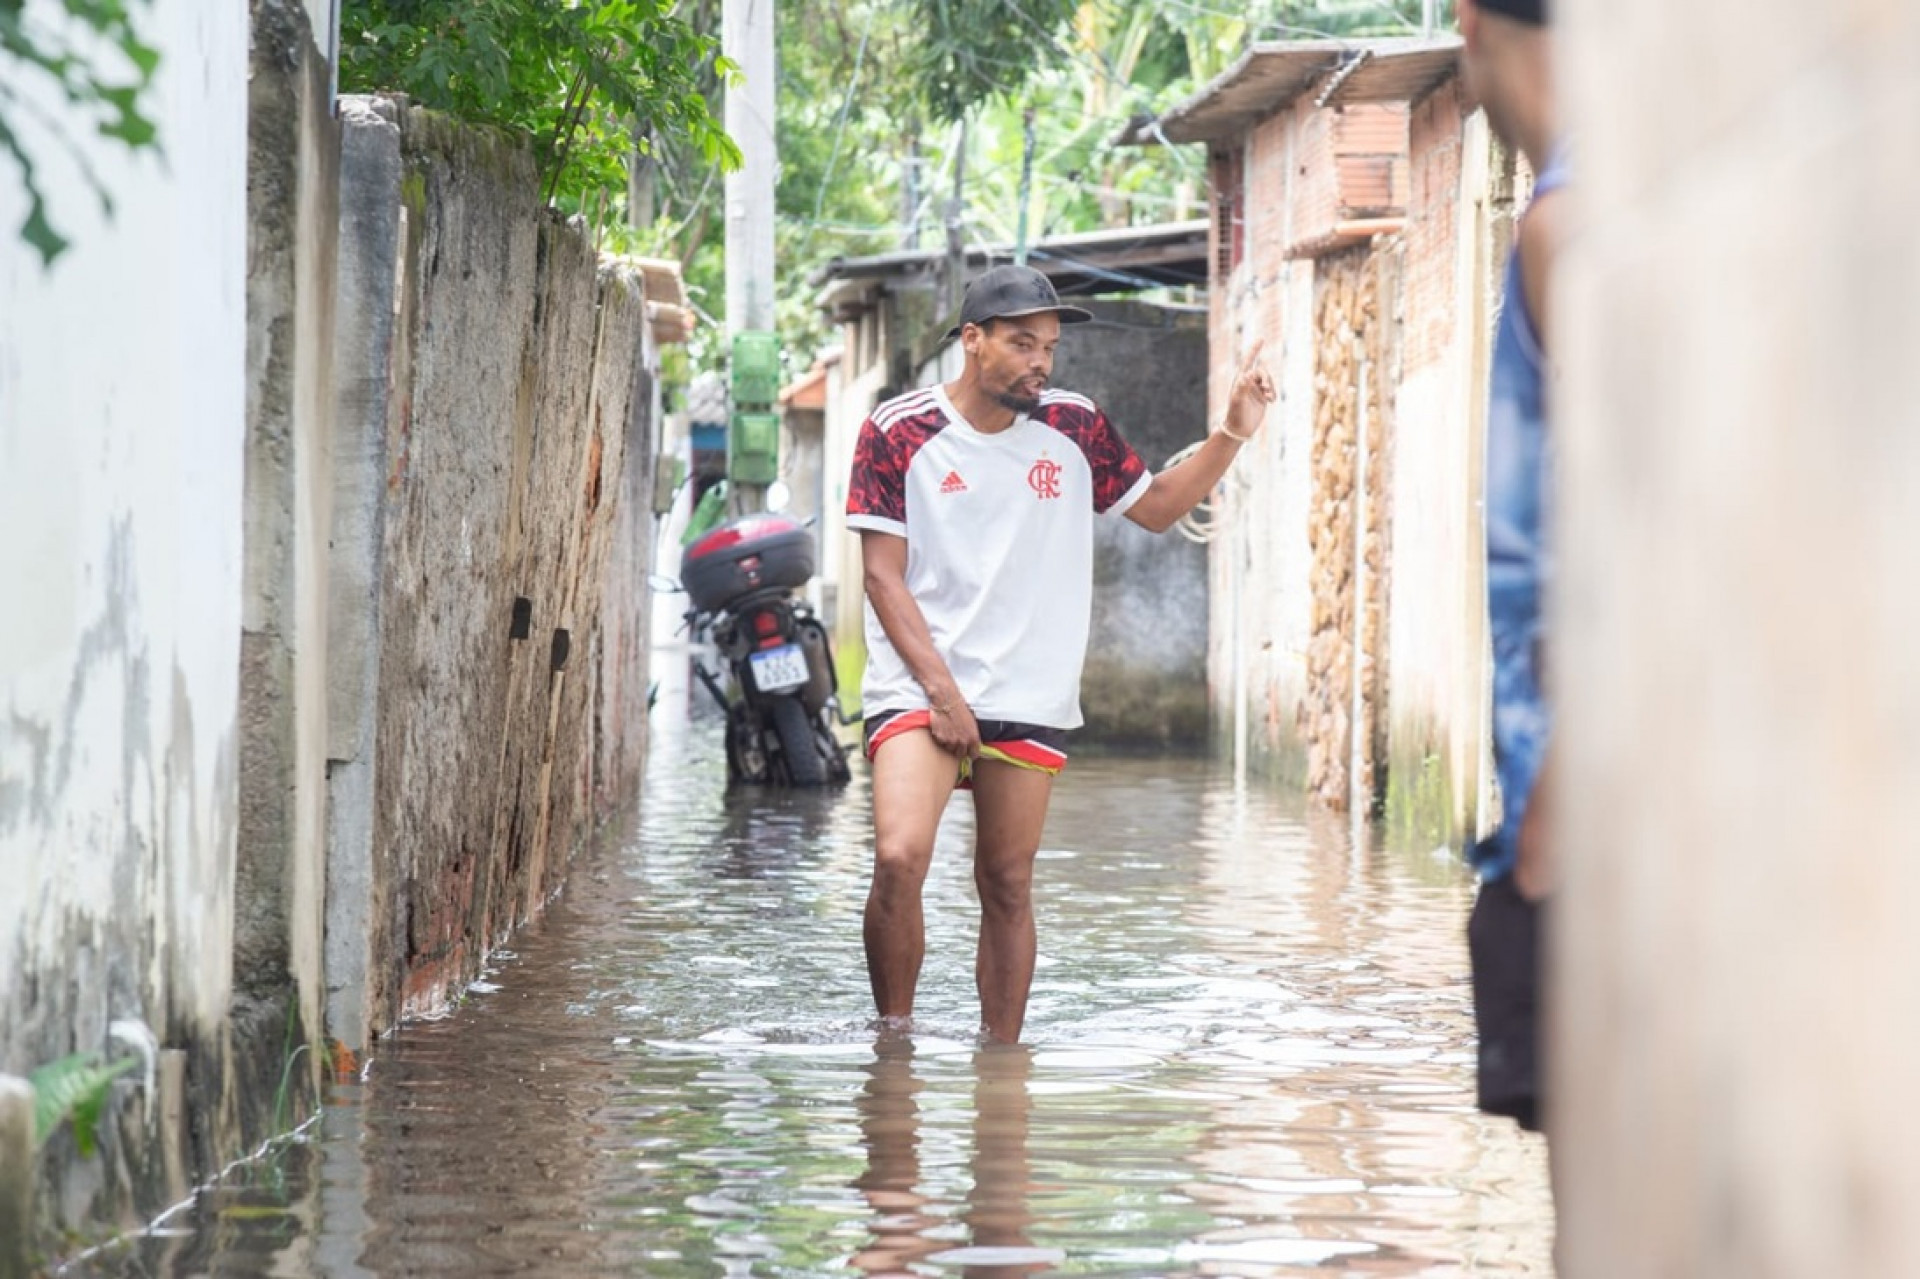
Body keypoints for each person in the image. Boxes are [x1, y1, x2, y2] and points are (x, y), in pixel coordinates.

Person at [845, 263, 1275, 1043]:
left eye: (1048, 347)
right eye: (1022, 344)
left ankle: (1000, 1066)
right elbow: (881, 576)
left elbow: (1158, 508)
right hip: (921, 686)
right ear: (972, 342)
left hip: (1029, 690)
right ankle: (894, 1043)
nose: (1041, 362)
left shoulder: (1076, 424)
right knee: (901, 856)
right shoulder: (896, 429)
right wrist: (945, 696)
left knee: (1007, 881)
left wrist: (1233, 430)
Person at [1457, 0, 1566, 1136]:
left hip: (1583, 815)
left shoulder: (1570, 222)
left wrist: (1548, 833)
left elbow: (1651, 532)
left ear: (1469, 22)